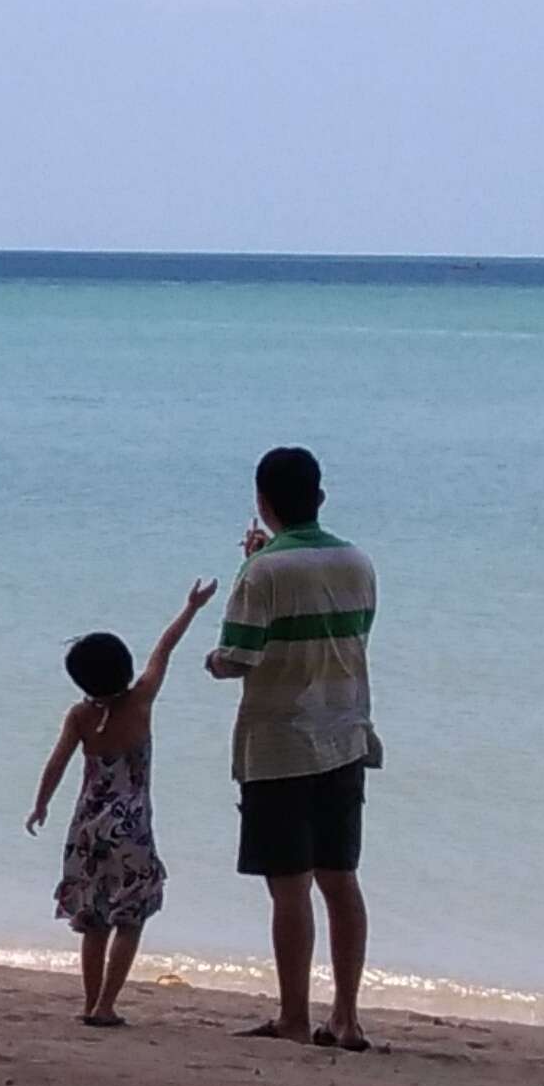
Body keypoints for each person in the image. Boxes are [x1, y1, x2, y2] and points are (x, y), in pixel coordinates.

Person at [204, 445, 380, 1047]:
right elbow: (354, 631)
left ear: (262, 501)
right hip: (346, 734)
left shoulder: (263, 573)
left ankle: (295, 1015)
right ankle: (348, 1016)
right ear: (320, 499)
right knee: (341, 879)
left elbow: (238, 657)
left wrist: (213, 659)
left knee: (289, 885)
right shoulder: (358, 562)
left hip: (280, 744)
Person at [27, 578, 216, 1026]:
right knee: (130, 918)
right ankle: (106, 1004)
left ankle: (89, 1002)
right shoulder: (141, 701)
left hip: (88, 826)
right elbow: (164, 650)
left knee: (92, 920)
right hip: (130, 827)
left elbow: (56, 764)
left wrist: (40, 805)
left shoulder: (80, 716)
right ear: (125, 668)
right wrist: (191, 608)